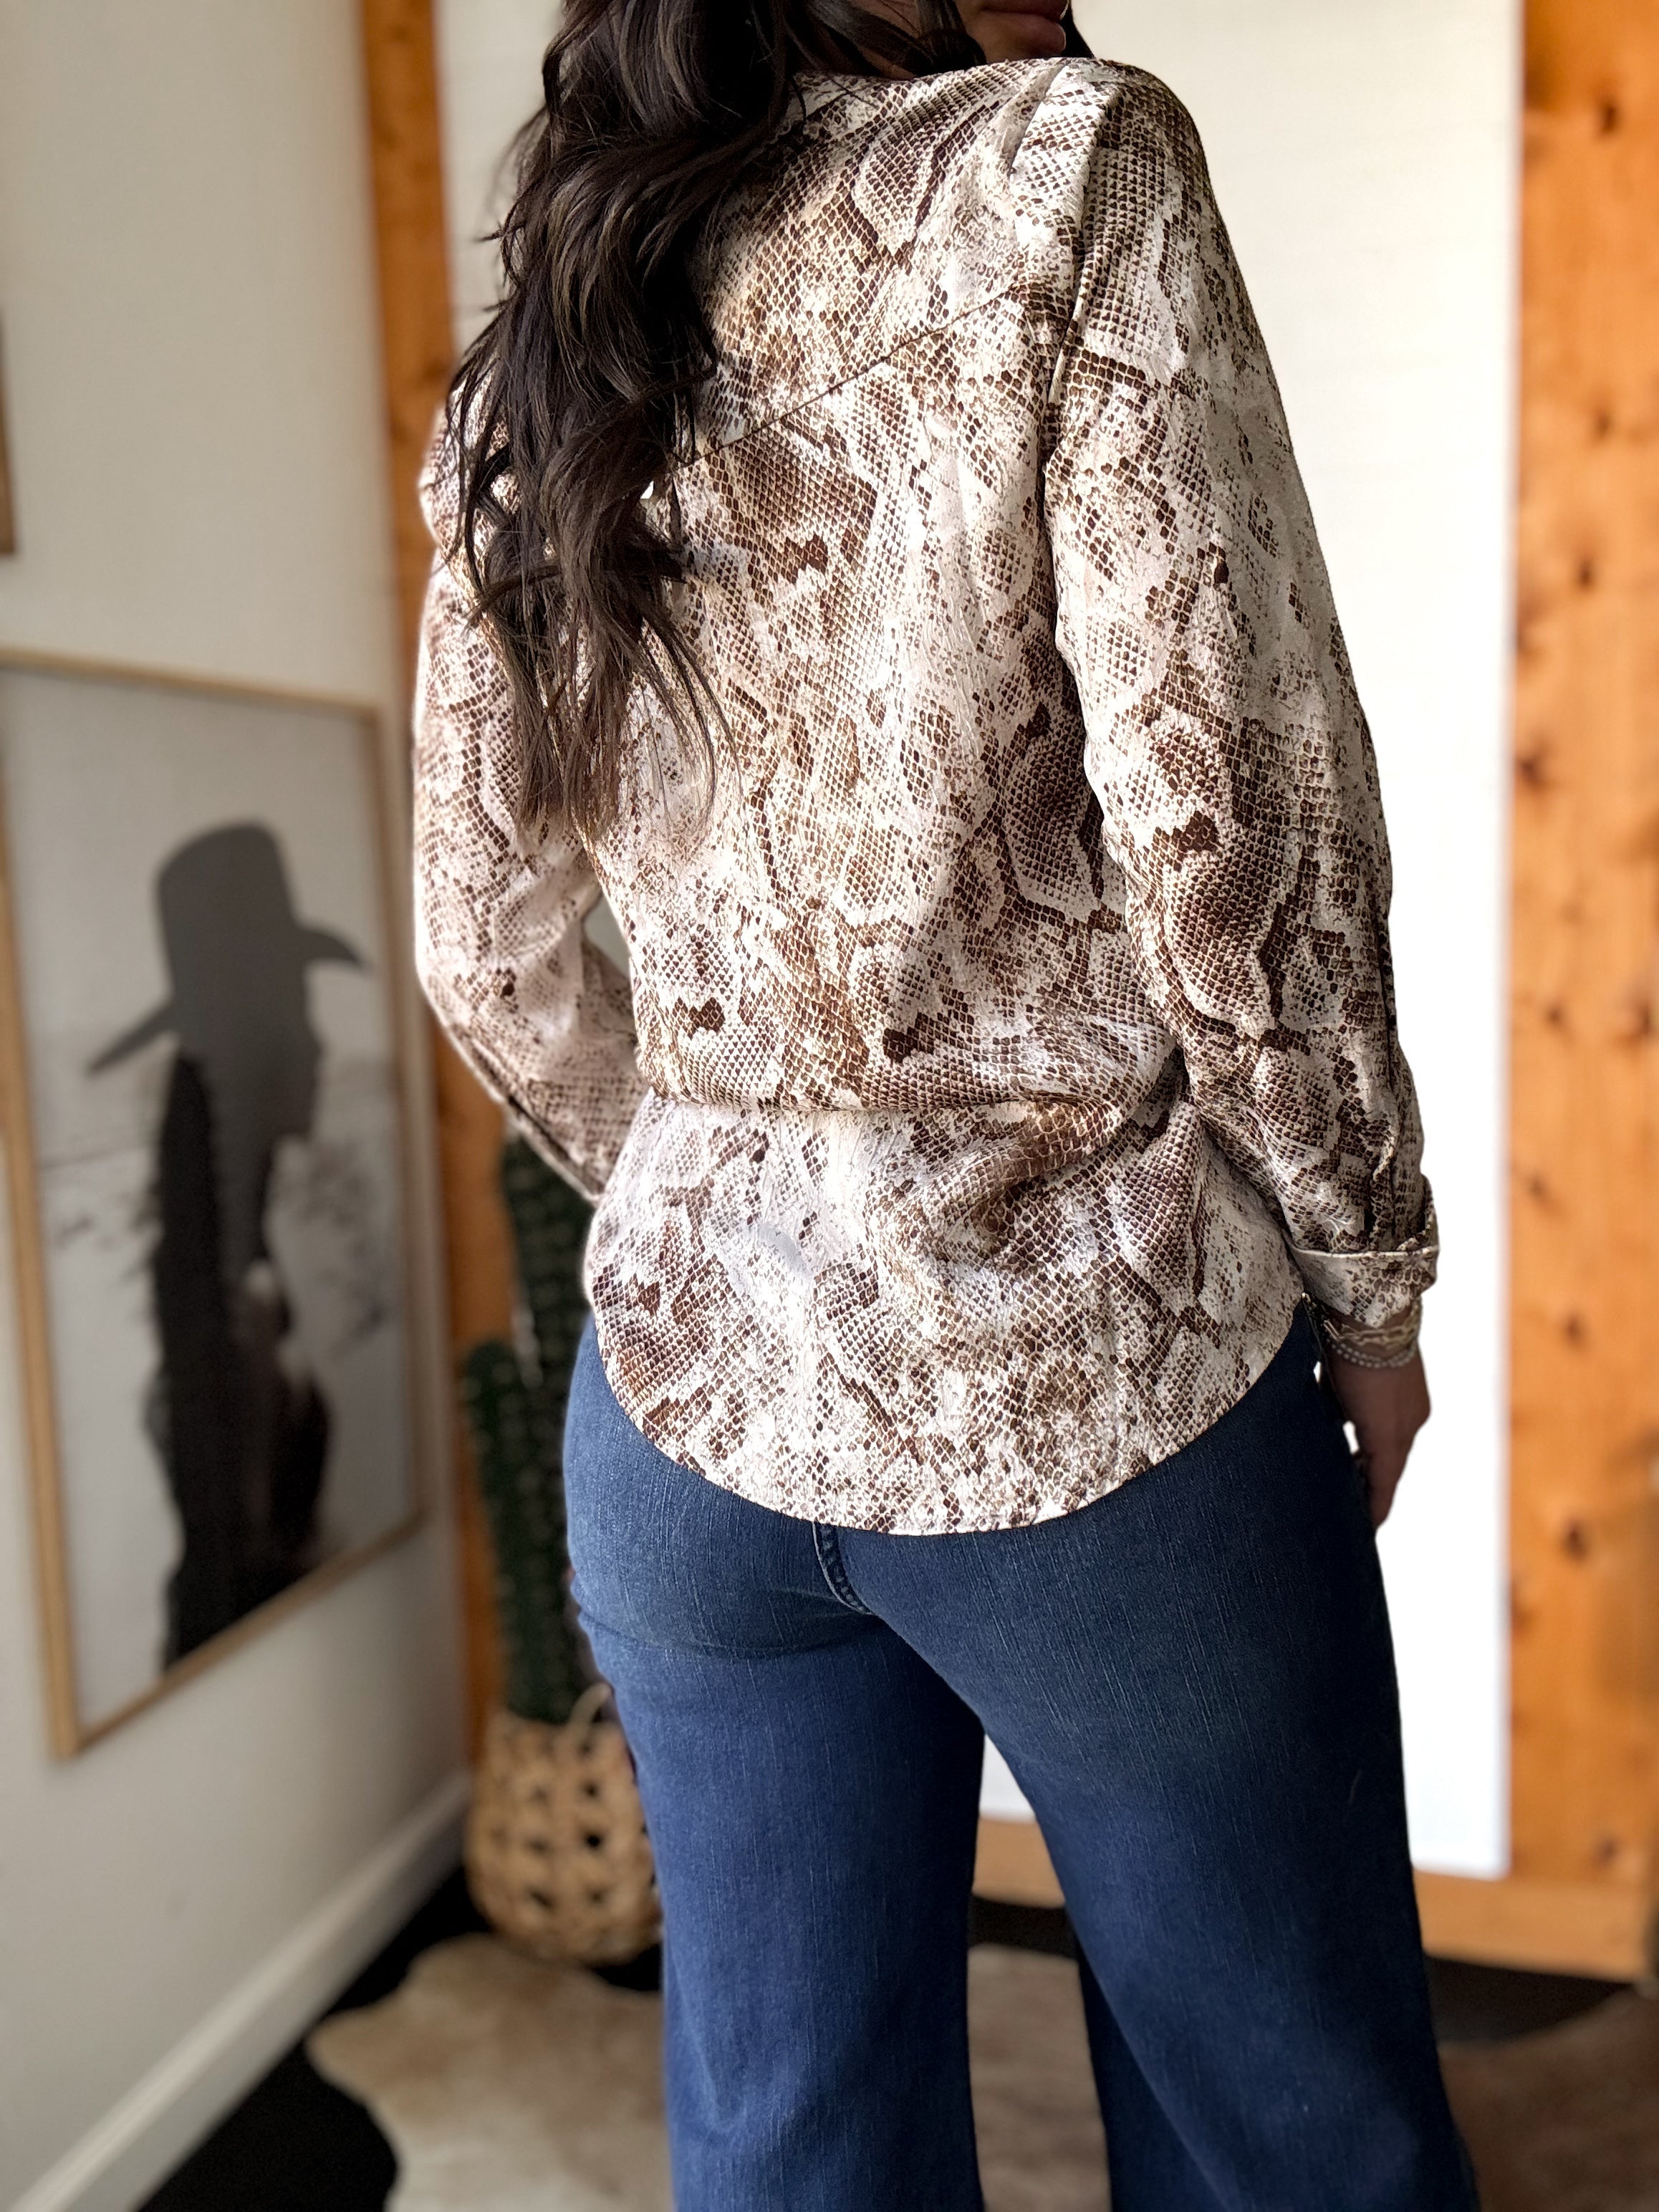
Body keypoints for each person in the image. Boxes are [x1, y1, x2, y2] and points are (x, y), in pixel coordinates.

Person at [414, 4, 1475, 2204]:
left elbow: (480, 940)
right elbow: (1232, 831)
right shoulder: (1063, 165)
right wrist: (1367, 1286)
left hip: (682, 1428)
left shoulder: (548, 326)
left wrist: (718, 1190)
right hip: (1099, 1385)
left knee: (793, 2135)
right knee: (1286, 2131)